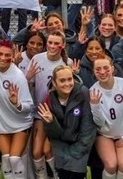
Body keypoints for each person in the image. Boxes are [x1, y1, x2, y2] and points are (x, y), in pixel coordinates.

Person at [27, 30, 74, 179]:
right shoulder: (37, 59)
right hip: (40, 112)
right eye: (50, 42)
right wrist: (27, 78)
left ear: (63, 45)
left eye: (56, 43)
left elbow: (71, 91)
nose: (52, 46)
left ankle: (56, 175)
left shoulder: (67, 63)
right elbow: (30, 87)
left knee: (48, 150)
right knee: (36, 152)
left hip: (58, 114)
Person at [39, 65, 97, 179]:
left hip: (80, 145)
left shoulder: (83, 93)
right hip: (61, 146)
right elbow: (54, 135)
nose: (67, 84)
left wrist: (76, 151)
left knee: (75, 173)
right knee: (63, 174)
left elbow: (88, 128)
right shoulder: (50, 100)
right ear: (54, 83)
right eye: (62, 80)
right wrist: (51, 122)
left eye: (70, 79)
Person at [0, 41, 35, 179]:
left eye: (7, 55)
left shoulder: (18, 76)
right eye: (0, 54)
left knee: (15, 159)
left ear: (13, 56)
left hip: (20, 123)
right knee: (7, 159)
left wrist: (17, 104)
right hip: (0, 124)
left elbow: (29, 106)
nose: (3, 58)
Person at [89, 55, 123, 179]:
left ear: (112, 68)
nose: (102, 72)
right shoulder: (92, 91)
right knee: (111, 166)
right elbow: (99, 123)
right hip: (104, 134)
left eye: (106, 68)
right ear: (93, 72)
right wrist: (95, 106)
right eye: (98, 69)